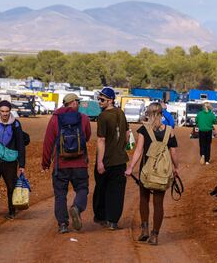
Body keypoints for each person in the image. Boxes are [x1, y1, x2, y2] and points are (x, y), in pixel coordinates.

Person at [125, 102, 179, 245]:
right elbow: (173, 152)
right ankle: (155, 235)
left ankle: (144, 230)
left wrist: (131, 167)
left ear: (148, 113)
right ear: (162, 114)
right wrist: (176, 167)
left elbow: (138, 150)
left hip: (146, 171)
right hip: (162, 172)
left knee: (144, 199)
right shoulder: (170, 130)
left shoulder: (144, 130)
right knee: (158, 203)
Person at [42, 93, 91, 234]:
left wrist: (45, 162)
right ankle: (77, 207)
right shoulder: (84, 118)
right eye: (78, 102)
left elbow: (48, 142)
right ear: (74, 103)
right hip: (80, 163)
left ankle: (63, 224)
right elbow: (87, 137)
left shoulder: (55, 119)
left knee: (60, 195)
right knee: (82, 189)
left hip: (60, 165)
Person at [93, 87, 129, 230]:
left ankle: (101, 216)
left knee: (102, 188)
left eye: (102, 100)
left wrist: (100, 162)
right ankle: (113, 220)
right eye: (99, 99)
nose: (99, 102)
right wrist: (121, 147)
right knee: (117, 192)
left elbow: (101, 140)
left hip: (106, 160)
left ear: (110, 100)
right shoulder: (121, 113)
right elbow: (126, 134)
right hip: (120, 160)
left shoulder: (103, 116)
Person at [0, 100, 26, 220]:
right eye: (2, 111)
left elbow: (20, 144)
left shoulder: (16, 124)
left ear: (10, 111)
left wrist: (22, 164)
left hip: (11, 162)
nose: (4, 114)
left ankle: (12, 211)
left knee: (11, 187)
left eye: (7, 111)